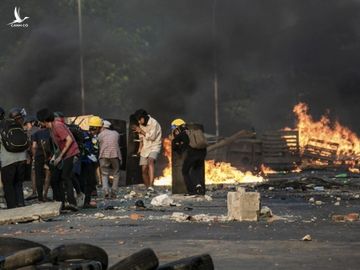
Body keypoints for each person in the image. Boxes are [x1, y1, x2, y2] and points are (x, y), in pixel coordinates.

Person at [36, 108, 80, 210]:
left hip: (71, 153)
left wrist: (60, 157)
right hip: (64, 154)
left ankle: (72, 203)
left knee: (66, 176)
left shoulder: (57, 125)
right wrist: (55, 157)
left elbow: (69, 140)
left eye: (40, 121)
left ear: (44, 120)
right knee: (55, 178)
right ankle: (60, 203)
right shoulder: (51, 128)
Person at [0, 107, 29, 208]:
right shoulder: (16, 124)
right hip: (21, 158)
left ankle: (12, 207)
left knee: (8, 185)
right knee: (18, 183)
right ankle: (20, 203)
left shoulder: (1, 126)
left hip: (8, 160)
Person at [171, 118, 207, 195]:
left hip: (193, 154)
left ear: (178, 127)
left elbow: (176, 145)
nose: (174, 131)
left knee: (185, 171)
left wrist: (178, 148)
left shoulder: (182, 134)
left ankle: (191, 191)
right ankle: (200, 188)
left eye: (174, 128)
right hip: (202, 153)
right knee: (196, 170)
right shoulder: (192, 132)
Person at [132, 109, 162, 187]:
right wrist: (139, 149)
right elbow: (141, 138)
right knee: (144, 170)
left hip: (155, 145)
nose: (139, 122)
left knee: (150, 161)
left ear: (144, 117)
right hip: (145, 148)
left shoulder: (154, 123)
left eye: (139, 119)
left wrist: (140, 130)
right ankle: (148, 188)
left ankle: (151, 185)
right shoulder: (141, 124)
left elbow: (152, 137)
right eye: (137, 120)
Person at [79, 116, 101, 208]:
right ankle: (86, 203)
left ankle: (83, 201)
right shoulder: (89, 137)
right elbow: (89, 150)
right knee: (89, 182)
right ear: (96, 128)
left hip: (85, 162)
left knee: (86, 182)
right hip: (87, 163)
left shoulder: (88, 135)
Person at [96, 119, 121, 198]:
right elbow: (117, 143)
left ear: (103, 127)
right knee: (116, 173)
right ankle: (114, 192)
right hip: (115, 155)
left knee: (104, 174)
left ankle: (106, 191)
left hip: (103, 155)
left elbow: (98, 145)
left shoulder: (100, 135)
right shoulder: (116, 133)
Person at [31, 121, 52, 202]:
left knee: (38, 176)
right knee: (48, 175)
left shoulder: (36, 133)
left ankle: (40, 197)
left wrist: (34, 156)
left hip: (38, 156)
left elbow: (34, 146)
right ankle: (45, 195)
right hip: (49, 156)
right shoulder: (50, 132)